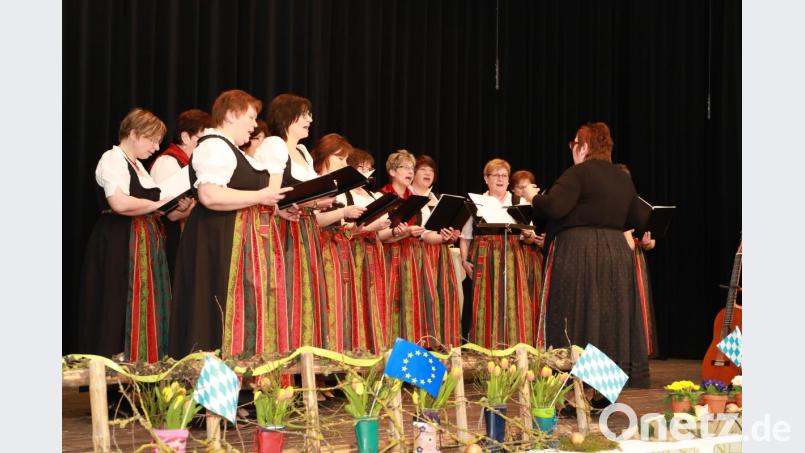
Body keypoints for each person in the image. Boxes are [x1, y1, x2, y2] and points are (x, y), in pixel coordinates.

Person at [521, 122, 649, 387]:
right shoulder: (622, 177)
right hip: (615, 253)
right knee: (606, 319)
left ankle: (574, 387)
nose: (572, 150)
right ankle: (603, 388)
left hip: (579, 252)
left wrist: (533, 196)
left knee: (575, 315)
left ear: (585, 146)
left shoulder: (578, 174)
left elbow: (554, 207)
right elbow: (637, 216)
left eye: (574, 145)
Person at [169, 90, 291, 360]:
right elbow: (209, 195)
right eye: (250, 117)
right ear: (231, 114)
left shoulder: (231, 149)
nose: (253, 125)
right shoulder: (214, 146)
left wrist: (277, 208)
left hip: (232, 239)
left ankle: (237, 383)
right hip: (218, 240)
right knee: (214, 310)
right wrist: (261, 196)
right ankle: (209, 391)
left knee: (231, 310)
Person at [79, 108, 185, 363]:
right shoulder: (112, 159)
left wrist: (177, 206)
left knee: (144, 305)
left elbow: (155, 208)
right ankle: (115, 373)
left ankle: (142, 366)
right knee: (117, 303)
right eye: (152, 139)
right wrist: (160, 204)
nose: (156, 146)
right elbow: (119, 203)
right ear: (134, 134)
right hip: (120, 241)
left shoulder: (140, 168)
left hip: (143, 241)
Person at [255, 93, 331, 350]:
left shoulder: (301, 152)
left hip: (305, 229)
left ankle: (306, 366)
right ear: (287, 116)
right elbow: (268, 194)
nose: (310, 119)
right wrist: (282, 209)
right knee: (285, 292)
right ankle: (281, 368)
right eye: (304, 114)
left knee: (306, 295)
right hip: (283, 229)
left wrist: (321, 200)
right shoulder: (274, 145)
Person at [459, 158, 534, 348]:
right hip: (484, 256)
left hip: (512, 255)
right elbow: (465, 236)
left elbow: (531, 237)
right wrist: (464, 260)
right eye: (496, 175)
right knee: (485, 302)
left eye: (504, 175)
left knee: (512, 301)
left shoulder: (519, 202)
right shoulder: (477, 202)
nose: (500, 179)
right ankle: (484, 347)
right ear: (486, 179)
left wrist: (527, 234)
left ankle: (515, 348)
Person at [310, 133, 370, 353]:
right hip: (319, 249)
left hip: (338, 250)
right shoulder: (314, 180)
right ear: (326, 156)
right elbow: (313, 220)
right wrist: (343, 212)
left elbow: (339, 223)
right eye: (341, 159)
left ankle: (340, 357)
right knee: (325, 305)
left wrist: (355, 227)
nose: (345, 165)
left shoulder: (335, 186)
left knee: (341, 305)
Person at [379, 150, 440, 348]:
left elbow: (422, 233)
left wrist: (441, 236)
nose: (410, 172)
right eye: (404, 167)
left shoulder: (414, 198)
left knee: (415, 307)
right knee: (393, 306)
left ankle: (412, 362)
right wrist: (401, 233)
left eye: (412, 168)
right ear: (392, 171)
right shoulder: (383, 196)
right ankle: (390, 358)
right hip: (390, 258)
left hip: (413, 257)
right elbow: (380, 236)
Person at [149, 109, 209, 277]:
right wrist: (196, 204)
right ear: (185, 137)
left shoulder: (195, 164)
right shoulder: (168, 161)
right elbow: (171, 215)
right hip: (171, 239)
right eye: (202, 139)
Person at [411, 154, 462, 349]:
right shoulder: (409, 197)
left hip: (439, 255)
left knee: (441, 301)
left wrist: (451, 233)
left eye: (431, 170)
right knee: (422, 302)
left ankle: (440, 346)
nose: (427, 173)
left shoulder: (437, 199)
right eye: (423, 169)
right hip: (417, 254)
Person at [345, 149, 393, 353]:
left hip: (374, 252)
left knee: (374, 302)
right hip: (353, 251)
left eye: (368, 168)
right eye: (360, 167)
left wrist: (395, 230)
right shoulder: (345, 193)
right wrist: (370, 227)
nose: (365, 172)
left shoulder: (374, 194)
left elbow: (381, 234)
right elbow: (343, 228)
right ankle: (357, 351)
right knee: (355, 302)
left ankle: (375, 351)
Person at [615, 164, 659, 358]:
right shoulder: (604, 204)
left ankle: (635, 351)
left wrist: (648, 242)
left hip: (635, 260)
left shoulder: (638, 206)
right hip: (613, 257)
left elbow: (650, 240)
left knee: (636, 304)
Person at [511, 169, 546, 345]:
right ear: (513, 190)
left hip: (535, 259)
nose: (523, 191)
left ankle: (536, 341)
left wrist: (542, 241)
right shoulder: (510, 209)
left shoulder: (541, 208)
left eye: (527, 187)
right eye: (520, 188)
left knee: (535, 300)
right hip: (516, 258)